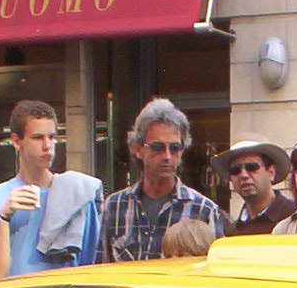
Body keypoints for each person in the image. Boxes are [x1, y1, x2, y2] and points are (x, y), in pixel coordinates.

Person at [0, 100, 102, 280]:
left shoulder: (79, 193)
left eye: (52, 137)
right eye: (38, 137)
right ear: (16, 141)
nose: (48, 145)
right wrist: (3, 218)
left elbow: (90, 265)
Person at [95, 98, 223, 262]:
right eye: (158, 147)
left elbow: (214, 273)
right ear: (138, 149)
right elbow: (100, 270)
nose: (168, 156)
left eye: (175, 148)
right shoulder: (114, 206)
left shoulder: (204, 210)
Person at [220, 136, 295, 235]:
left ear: (271, 173)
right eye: (235, 170)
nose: (243, 175)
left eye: (252, 167)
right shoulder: (231, 232)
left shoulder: (296, 217)